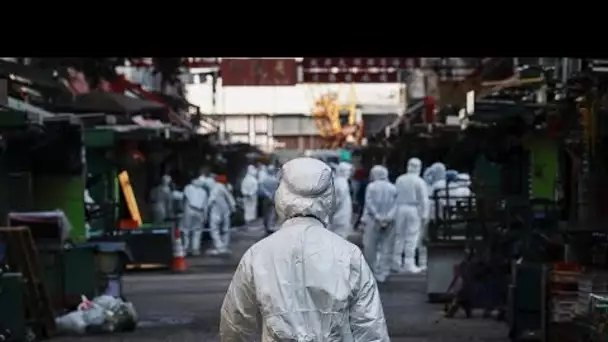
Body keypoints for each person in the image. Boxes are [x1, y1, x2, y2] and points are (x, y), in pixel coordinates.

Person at [220, 157, 389, 341]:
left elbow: (235, 324)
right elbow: (371, 328)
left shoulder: (258, 254)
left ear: (281, 195)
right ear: (328, 198)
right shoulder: (348, 254)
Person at [362, 165, 397, 283]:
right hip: (389, 221)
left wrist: (377, 216)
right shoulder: (393, 187)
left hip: (373, 220)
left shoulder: (371, 187)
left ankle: (372, 271)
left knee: (371, 246)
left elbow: (369, 203)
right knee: (386, 246)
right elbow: (396, 205)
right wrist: (388, 217)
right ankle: (384, 271)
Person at [393, 158, 429, 274]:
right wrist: (424, 214)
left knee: (399, 236)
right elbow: (423, 199)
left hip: (399, 208)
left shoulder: (400, 179)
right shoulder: (419, 181)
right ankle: (409, 263)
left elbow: (395, 194)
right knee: (411, 237)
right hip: (413, 210)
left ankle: (396, 262)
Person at [206, 174, 237, 255]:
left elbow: (211, 200)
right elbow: (231, 200)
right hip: (226, 212)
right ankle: (224, 246)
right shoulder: (225, 188)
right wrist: (233, 209)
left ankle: (219, 246)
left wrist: (207, 209)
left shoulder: (216, 187)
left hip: (216, 212)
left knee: (214, 229)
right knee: (225, 229)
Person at [180, 176, 208, 256]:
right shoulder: (203, 191)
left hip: (190, 210)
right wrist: (205, 215)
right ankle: (194, 248)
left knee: (187, 230)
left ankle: (187, 247)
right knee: (196, 231)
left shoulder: (188, 188)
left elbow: (184, 200)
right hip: (197, 211)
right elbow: (205, 205)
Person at [330, 162, 353, 239]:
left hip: (340, 216)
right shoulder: (341, 182)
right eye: (348, 171)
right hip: (340, 216)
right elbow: (336, 201)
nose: (349, 173)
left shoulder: (339, 181)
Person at [259, 164, 279, 235]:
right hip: (273, 197)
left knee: (265, 213)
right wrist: (272, 195)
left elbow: (261, 189)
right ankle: (270, 226)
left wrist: (267, 194)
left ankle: (266, 226)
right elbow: (277, 189)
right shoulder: (276, 180)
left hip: (265, 198)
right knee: (272, 212)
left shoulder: (264, 179)